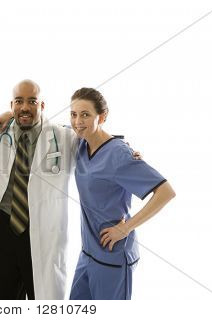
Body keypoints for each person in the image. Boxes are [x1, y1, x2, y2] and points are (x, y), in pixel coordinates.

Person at [0, 79, 78, 300]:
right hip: (2, 229)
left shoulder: (64, 138)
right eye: (19, 101)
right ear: (11, 105)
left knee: (43, 299)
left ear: (42, 106)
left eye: (32, 101)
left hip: (40, 228)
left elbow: (95, 141)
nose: (25, 107)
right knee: (5, 299)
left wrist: (125, 149)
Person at [68, 87, 176, 300]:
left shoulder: (119, 154)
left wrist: (126, 228)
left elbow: (166, 192)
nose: (77, 121)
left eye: (85, 114)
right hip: (87, 255)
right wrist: (8, 115)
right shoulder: (81, 142)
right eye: (73, 114)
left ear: (103, 116)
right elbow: (44, 127)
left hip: (113, 259)